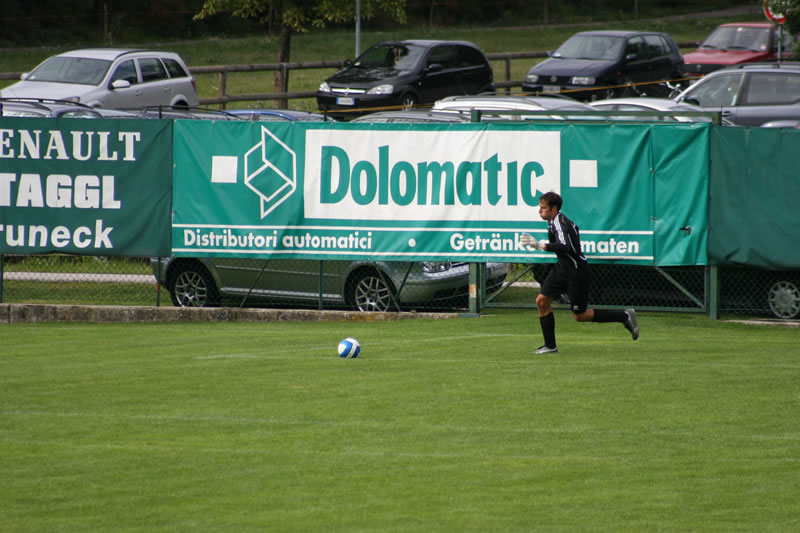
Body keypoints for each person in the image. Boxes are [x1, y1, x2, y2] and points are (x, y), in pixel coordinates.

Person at [520, 191, 639, 354]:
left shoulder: (559, 223)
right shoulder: (553, 221)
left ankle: (624, 316)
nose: (539, 211)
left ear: (554, 209)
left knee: (580, 315)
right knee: (541, 301)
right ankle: (550, 346)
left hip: (576, 272)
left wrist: (540, 245)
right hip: (562, 268)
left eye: (543, 208)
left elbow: (565, 246)